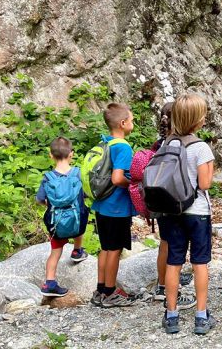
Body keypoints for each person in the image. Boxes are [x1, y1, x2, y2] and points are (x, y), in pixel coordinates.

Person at [160, 94, 216, 335]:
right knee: (199, 263)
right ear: (198, 121)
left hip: (172, 211)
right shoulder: (201, 147)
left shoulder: (167, 144)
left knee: (174, 262)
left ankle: (171, 315)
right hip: (197, 212)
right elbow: (204, 184)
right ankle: (201, 316)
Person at [90, 103, 136, 308]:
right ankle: (110, 292)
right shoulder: (123, 147)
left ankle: (100, 290)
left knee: (105, 248)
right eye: (132, 120)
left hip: (101, 205)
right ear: (123, 123)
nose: (133, 123)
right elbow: (118, 178)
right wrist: (133, 185)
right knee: (115, 250)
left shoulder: (105, 143)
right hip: (116, 207)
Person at [151, 102, 196, 310]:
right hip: (176, 200)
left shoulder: (160, 143)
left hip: (159, 200)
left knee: (165, 242)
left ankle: (162, 285)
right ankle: (170, 291)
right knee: (174, 247)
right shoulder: (181, 143)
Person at [36, 137, 89, 297]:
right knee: (81, 217)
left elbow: (40, 199)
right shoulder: (78, 174)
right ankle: (77, 251)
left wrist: (51, 204)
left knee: (55, 252)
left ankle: (49, 283)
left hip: (57, 222)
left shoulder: (48, 178)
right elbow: (86, 194)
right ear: (71, 154)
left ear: (51, 155)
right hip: (77, 222)